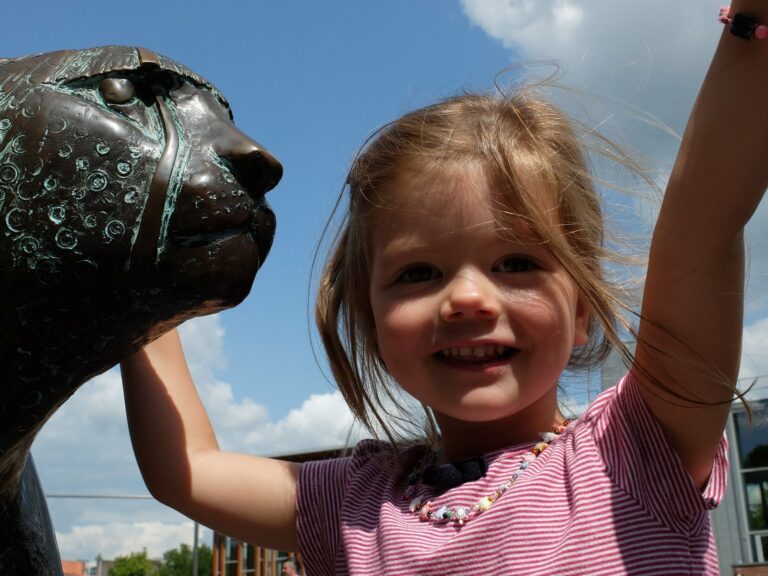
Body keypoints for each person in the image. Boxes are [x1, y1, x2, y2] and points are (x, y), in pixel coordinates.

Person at [120, 3, 768, 573]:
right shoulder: (354, 505)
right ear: (370, 325)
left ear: (583, 312)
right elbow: (189, 470)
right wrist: (128, 261)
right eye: (417, 273)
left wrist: (750, 30)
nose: (468, 298)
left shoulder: (637, 448)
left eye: (516, 263)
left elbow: (703, 217)